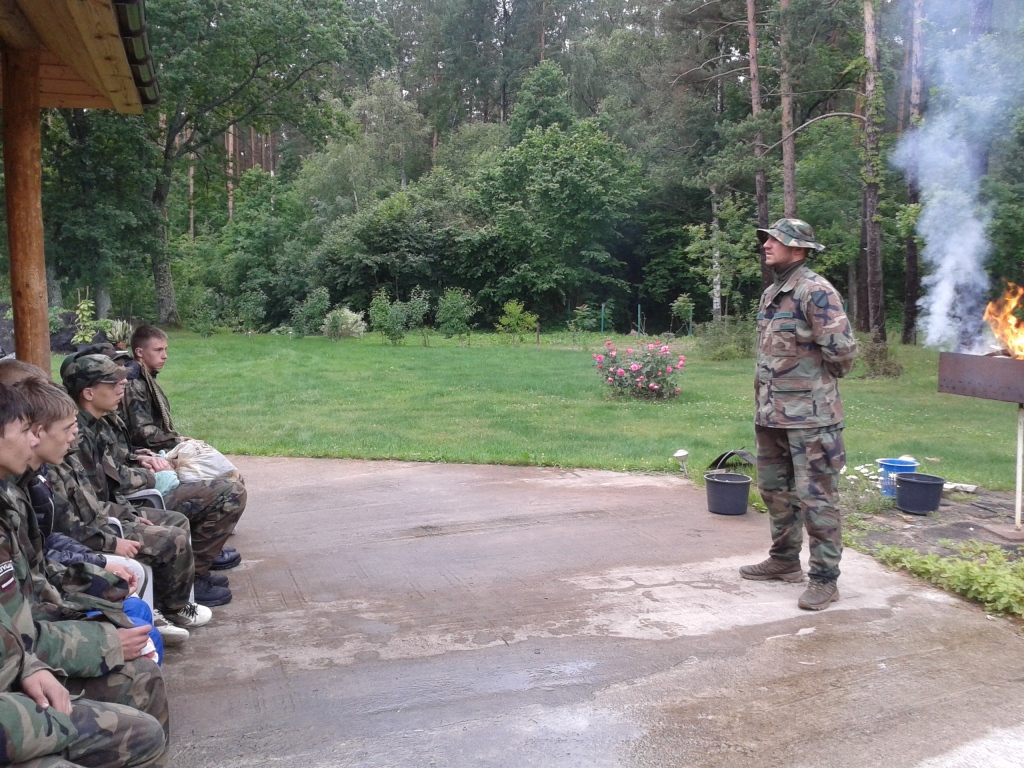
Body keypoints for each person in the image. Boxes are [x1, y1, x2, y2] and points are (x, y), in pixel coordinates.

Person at [0, 383, 168, 766]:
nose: (34, 439)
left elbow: (29, 591)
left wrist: (99, 579)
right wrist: (103, 643)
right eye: (25, 429)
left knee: (137, 647)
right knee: (138, 704)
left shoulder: (14, 495)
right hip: (17, 687)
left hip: (24, 663)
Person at [739, 218, 858, 611]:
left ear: (798, 248)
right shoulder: (773, 293)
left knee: (817, 499)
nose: (766, 245)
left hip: (811, 418)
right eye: (767, 239)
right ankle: (784, 560)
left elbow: (842, 353)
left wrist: (815, 386)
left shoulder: (816, 291)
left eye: (775, 240)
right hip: (771, 414)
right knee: (774, 492)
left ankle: (825, 579)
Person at [61, 355, 239, 607]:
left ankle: (191, 580)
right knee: (206, 509)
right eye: (112, 383)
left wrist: (139, 458)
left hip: (116, 507)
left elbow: (112, 469)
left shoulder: (99, 422)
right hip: (107, 518)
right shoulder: (77, 435)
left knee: (182, 518)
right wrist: (152, 478)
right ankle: (173, 604)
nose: (122, 386)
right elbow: (105, 488)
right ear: (88, 393)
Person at [119, 326, 243, 571]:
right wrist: (176, 441)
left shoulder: (145, 377)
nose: (165, 356)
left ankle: (208, 543)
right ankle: (203, 555)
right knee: (218, 480)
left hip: (148, 454)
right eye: (158, 350)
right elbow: (142, 432)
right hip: (145, 459)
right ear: (139, 352)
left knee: (220, 471)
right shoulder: (134, 383)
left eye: (166, 350)